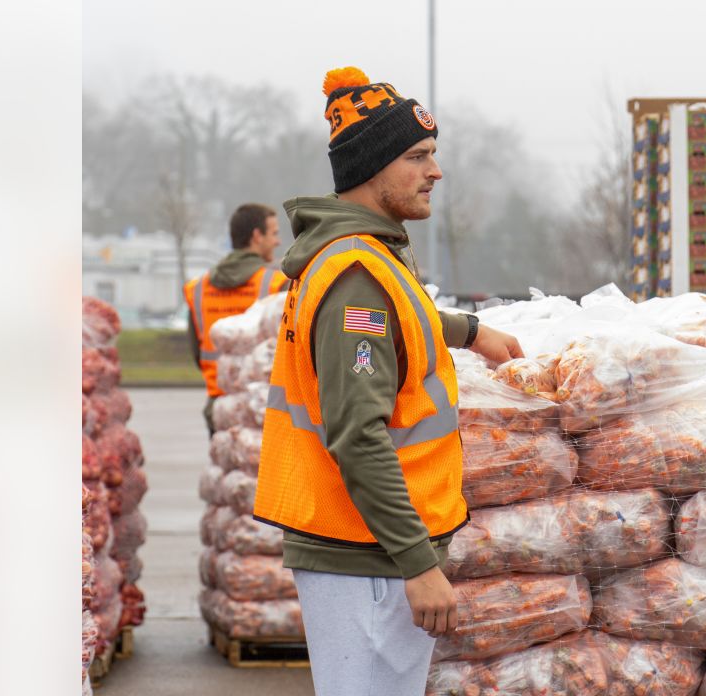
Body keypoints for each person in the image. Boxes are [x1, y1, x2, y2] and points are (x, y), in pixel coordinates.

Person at [253, 66, 524, 696]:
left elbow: (405, 320)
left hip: (368, 548)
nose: (435, 172)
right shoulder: (356, 276)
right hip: (366, 554)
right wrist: (417, 564)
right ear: (372, 169)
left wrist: (469, 330)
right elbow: (357, 434)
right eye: (418, 156)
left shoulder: (367, 254)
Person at [184, 203, 289, 436]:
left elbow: (196, 350)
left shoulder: (198, 288)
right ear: (256, 235)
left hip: (219, 406)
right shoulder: (277, 284)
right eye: (274, 233)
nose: (278, 242)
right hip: (266, 407)